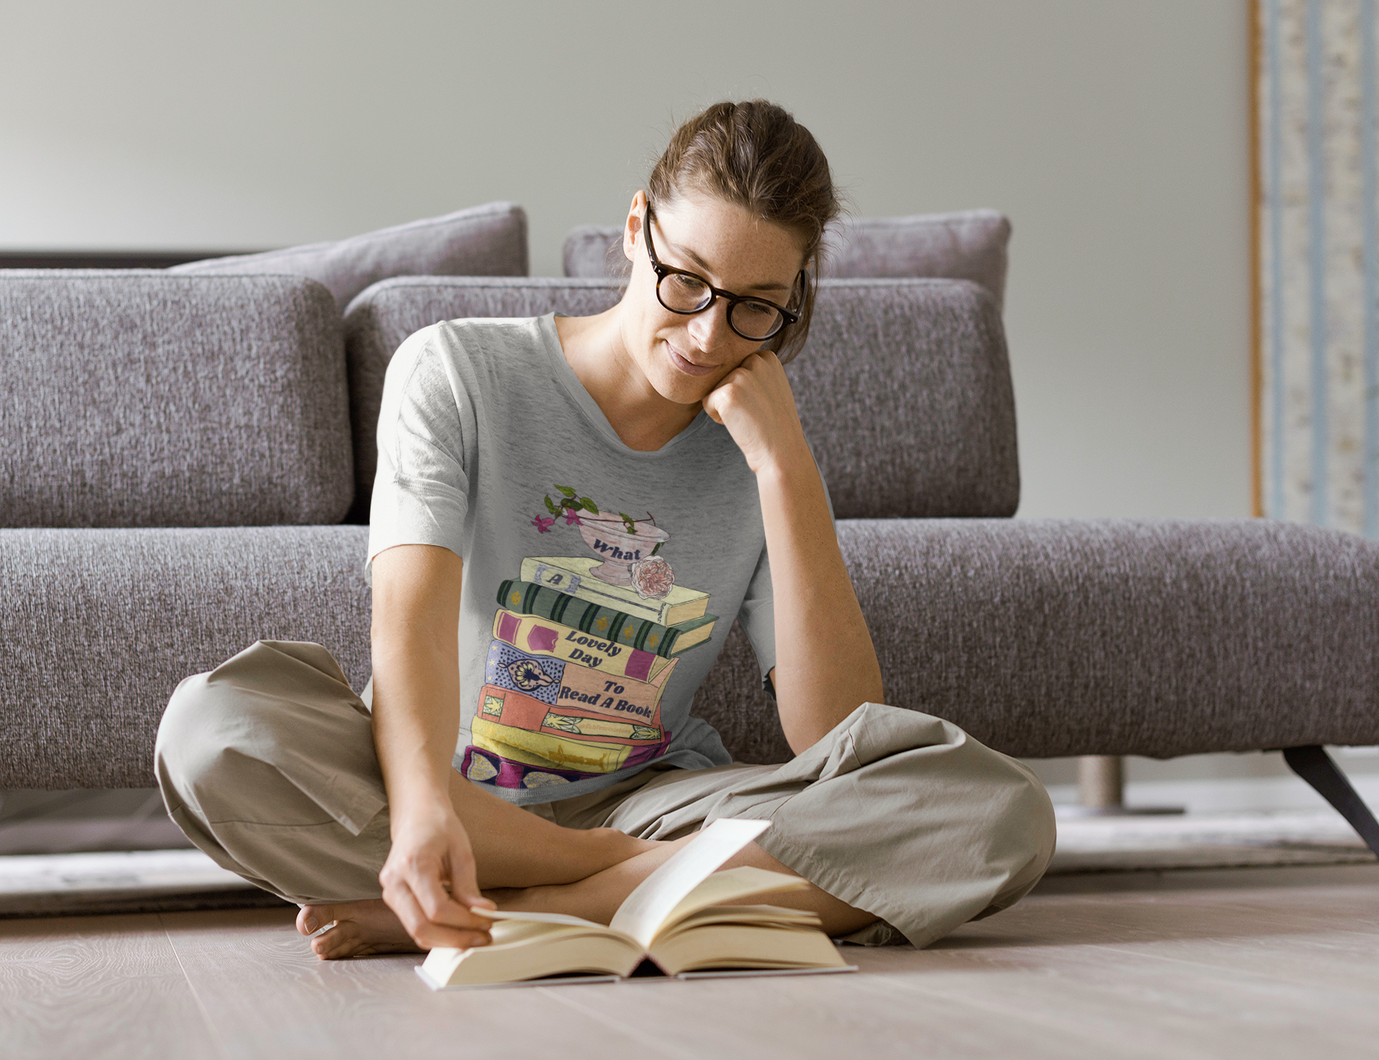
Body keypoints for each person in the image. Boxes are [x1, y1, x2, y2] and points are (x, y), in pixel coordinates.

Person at [154, 99, 1056, 961]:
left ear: (793, 300)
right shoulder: (457, 368)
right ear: (636, 228)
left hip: (649, 808)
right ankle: (625, 891)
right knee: (213, 728)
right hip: (432, 793)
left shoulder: (755, 449)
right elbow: (410, 619)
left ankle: (524, 913)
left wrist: (786, 469)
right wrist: (427, 807)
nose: (708, 335)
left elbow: (840, 734)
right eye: (686, 281)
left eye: (755, 306)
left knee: (991, 809)